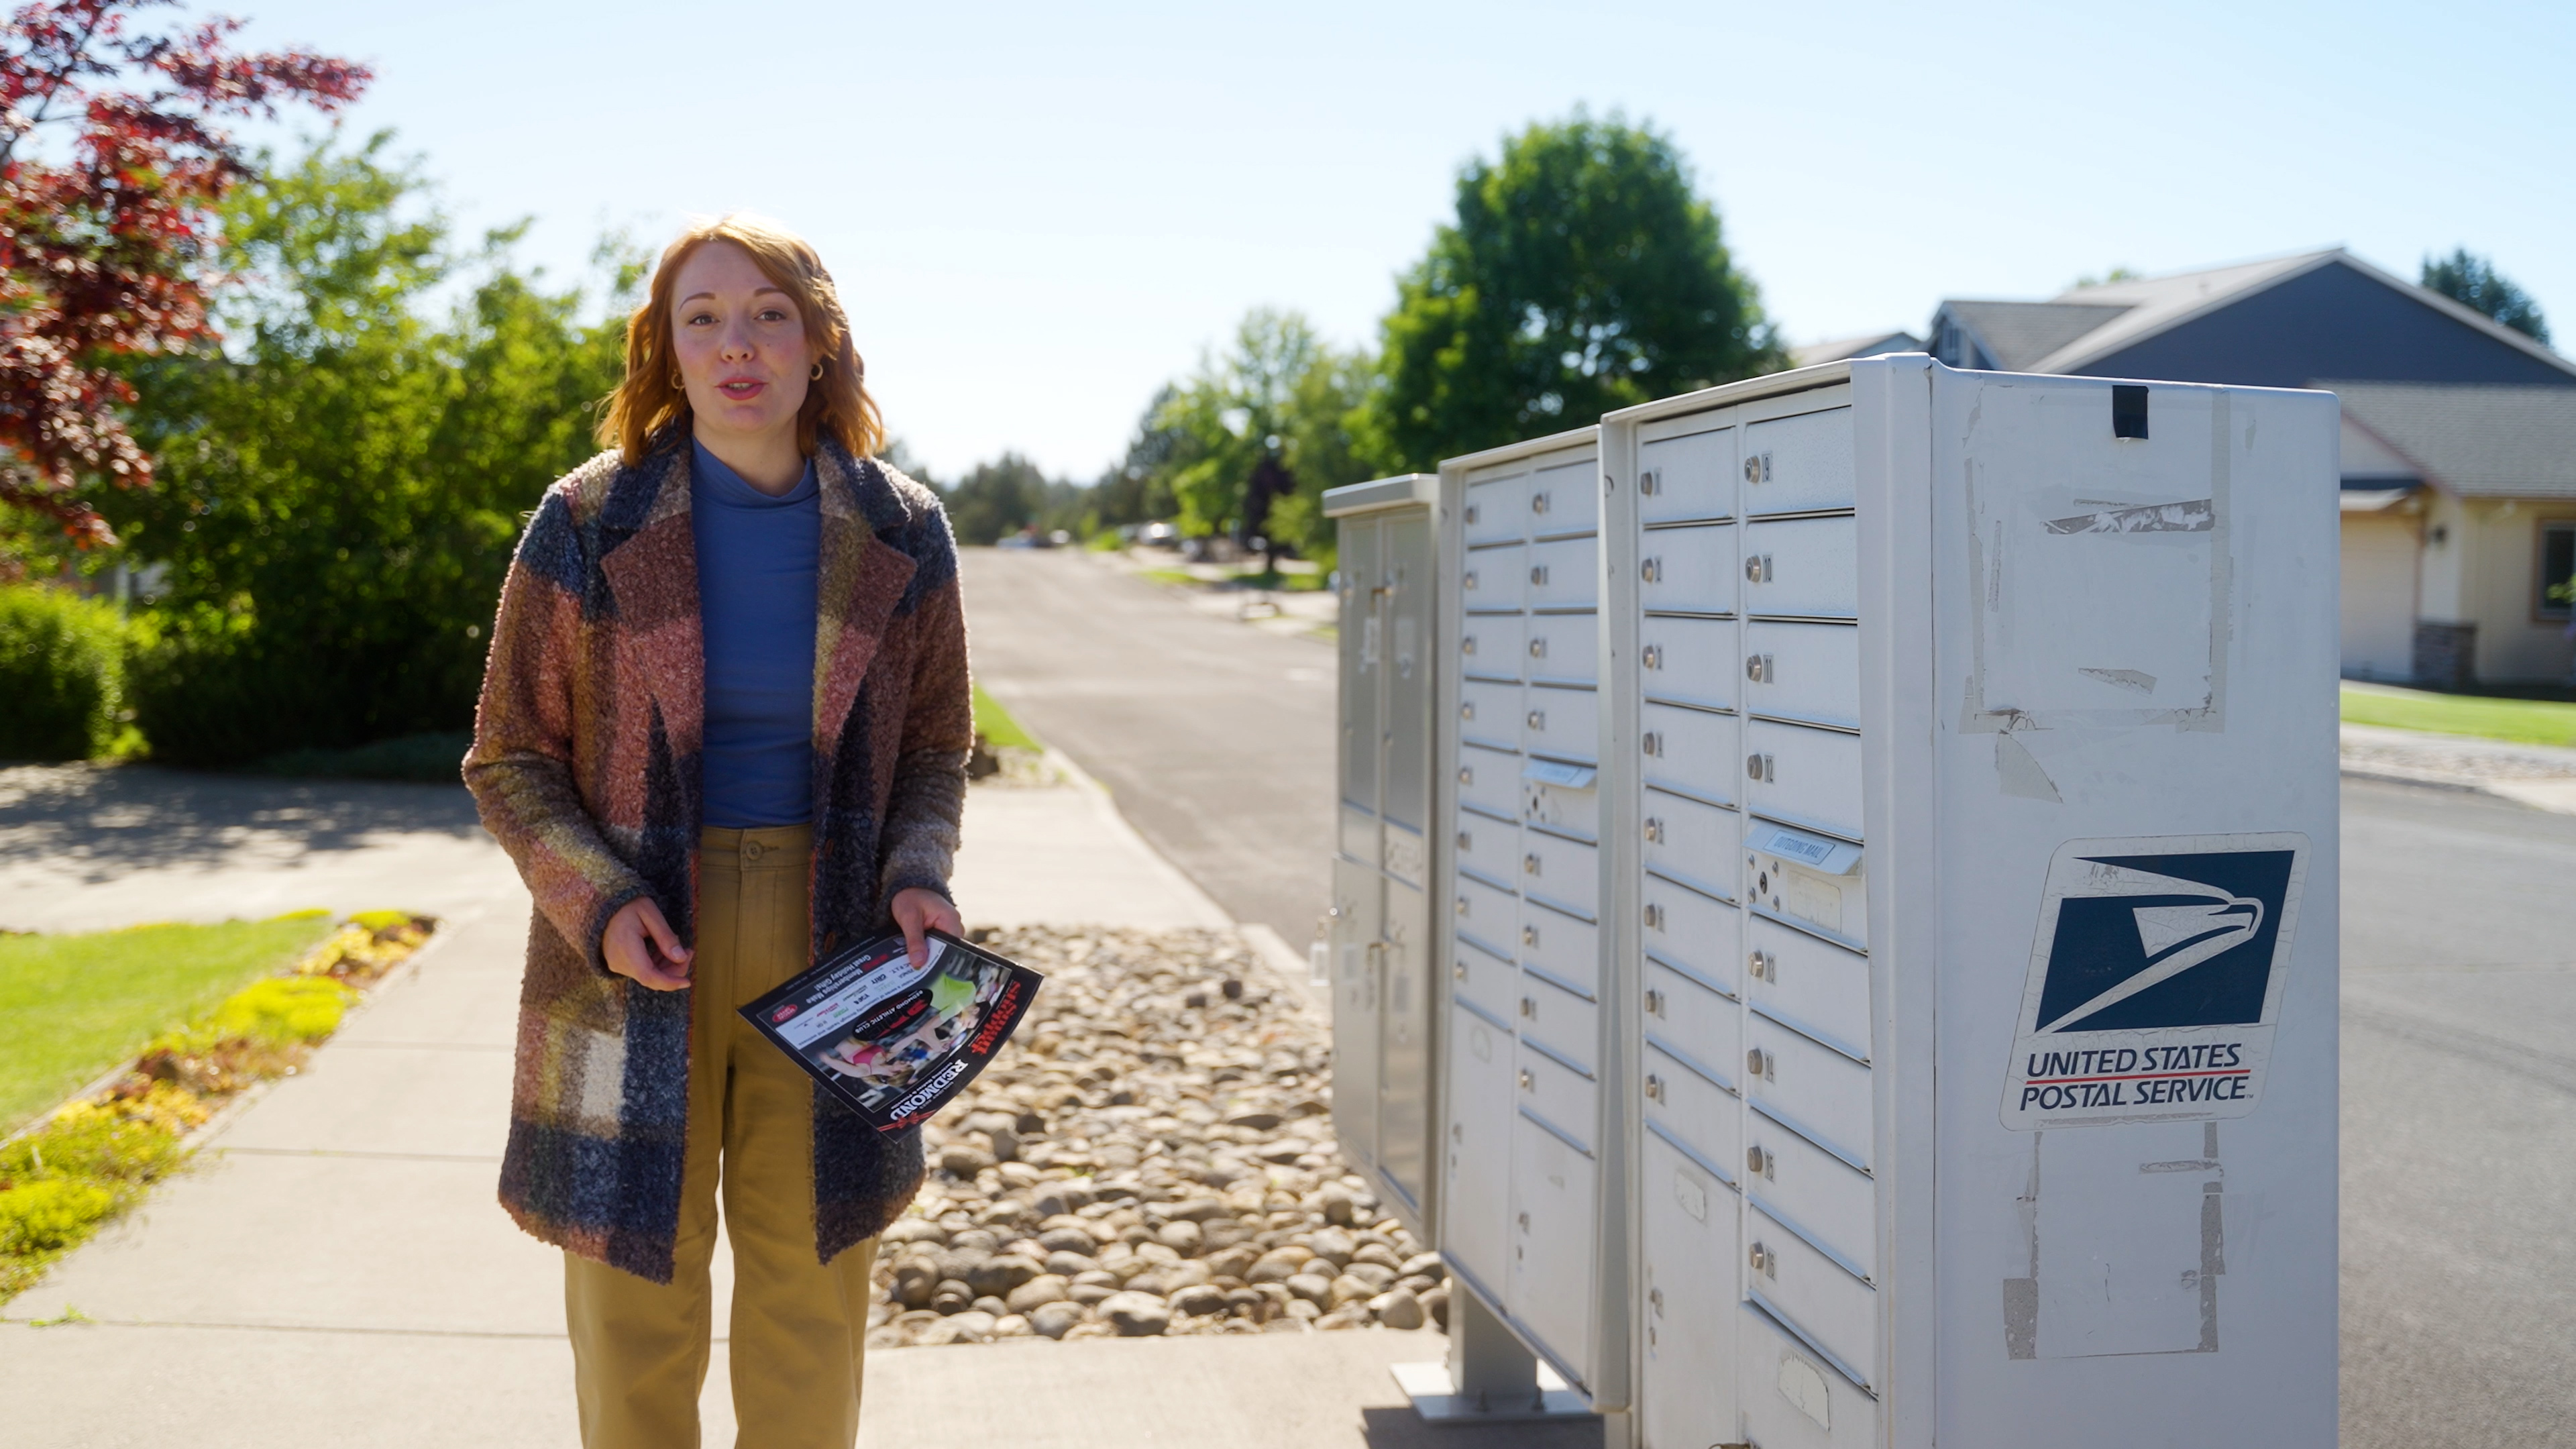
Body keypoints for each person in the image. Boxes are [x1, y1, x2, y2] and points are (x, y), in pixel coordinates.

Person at [463, 214, 970, 1448]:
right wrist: (596, 901)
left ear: (818, 342)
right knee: (636, 1300)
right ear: (667, 350)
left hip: (839, 943)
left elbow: (934, 747)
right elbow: (511, 757)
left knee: (810, 1292)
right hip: (634, 946)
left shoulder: (903, 528)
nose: (735, 344)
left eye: (767, 314)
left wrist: (918, 873)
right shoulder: (587, 519)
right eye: (702, 318)